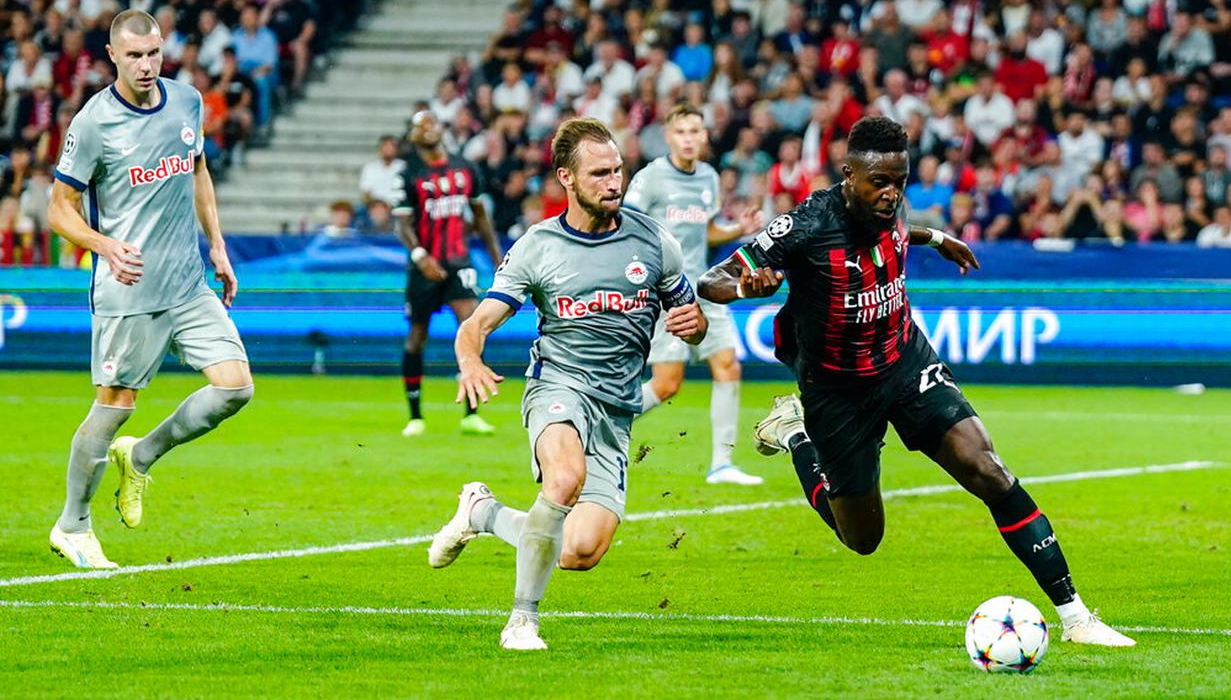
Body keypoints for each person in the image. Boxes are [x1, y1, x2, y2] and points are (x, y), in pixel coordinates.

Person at [697, 116, 1135, 647]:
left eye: (899, 182)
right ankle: (795, 434)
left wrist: (939, 238)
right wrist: (747, 287)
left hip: (904, 361)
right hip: (837, 389)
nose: (890, 194)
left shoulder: (891, 208)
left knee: (988, 468)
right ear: (848, 174)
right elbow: (712, 279)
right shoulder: (807, 225)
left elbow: (903, 230)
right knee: (861, 537)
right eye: (878, 182)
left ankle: (1077, 618)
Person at [430, 118, 707, 650]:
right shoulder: (539, 247)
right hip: (557, 385)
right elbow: (476, 325)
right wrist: (469, 360)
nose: (614, 183)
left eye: (618, 170)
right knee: (563, 481)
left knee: (577, 550)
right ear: (567, 178)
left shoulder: (653, 242)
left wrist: (694, 327)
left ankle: (482, 512)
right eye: (600, 173)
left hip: (617, 407)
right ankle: (521, 621)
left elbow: (689, 318)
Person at [47, 10, 252, 569]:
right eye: (133, 55)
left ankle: (140, 457)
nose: (145, 64)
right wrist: (104, 245)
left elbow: (198, 170)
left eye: (153, 53)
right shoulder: (94, 123)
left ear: (165, 51)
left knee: (235, 388)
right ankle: (73, 524)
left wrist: (218, 246)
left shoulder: (186, 101)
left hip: (187, 281)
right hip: (128, 289)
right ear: (113, 55)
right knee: (114, 406)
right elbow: (57, 210)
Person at [624, 104, 763, 485]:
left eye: (695, 131)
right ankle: (605, 419)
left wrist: (736, 230)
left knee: (729, 367)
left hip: (704, 287)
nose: (688, 138)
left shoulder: (708, 177)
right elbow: (627, 226)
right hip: (667, 291)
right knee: (668, 384)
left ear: (705, 136)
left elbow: (706, 231)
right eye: (681, 131)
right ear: (669, 137)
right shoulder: (651, 178)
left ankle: (722, 465)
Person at [393, 110, 502, 437]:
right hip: (424, 267)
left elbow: (480, 217)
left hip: (459, 263)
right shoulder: (408, 173)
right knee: (416, 338)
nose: (428, 128)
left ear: (441, 128)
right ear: (413, 135)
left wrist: (499, 259)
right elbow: (402, 224)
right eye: (420, 125)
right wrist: (420, 254)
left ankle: (471, 414)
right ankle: (415, 416)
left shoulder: (465, 167)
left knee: (471, 329)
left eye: (432, 122)